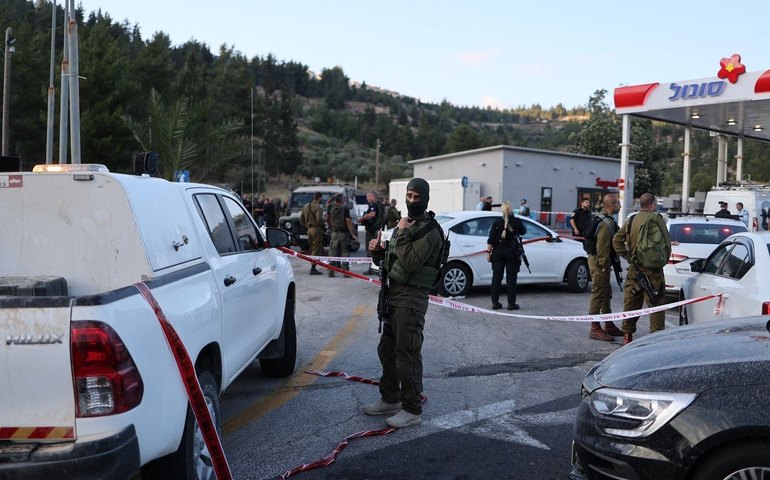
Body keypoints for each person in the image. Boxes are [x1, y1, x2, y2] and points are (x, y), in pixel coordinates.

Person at [364, 178, 445, 428]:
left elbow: (410, 262)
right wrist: (378, 250)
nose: (411, 201)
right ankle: (390, 398)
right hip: (393, 293)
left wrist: (402, 232)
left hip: (411, 298)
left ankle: (411, 408)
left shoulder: (430, 230)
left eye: (416, 197)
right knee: (386, 350)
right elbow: (393, 260)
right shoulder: (405, 225)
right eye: (408, 196)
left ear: (426, 198)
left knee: (406, 354)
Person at [612, 193, 671, 345]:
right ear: (652, 204)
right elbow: (667, 243)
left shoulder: (631, 220)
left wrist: (629, 258)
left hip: (635, 270)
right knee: (656, 304)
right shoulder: (657, 218)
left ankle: (627, 336)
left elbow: (617, 241)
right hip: (654, 272)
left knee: (631, 303)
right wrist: (660, 262)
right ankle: (655, 339)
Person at [586, 194, 624, 341]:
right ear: (611, 205)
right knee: (598, 293)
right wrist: (603, 266)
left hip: (601, 263)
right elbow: (602, 248)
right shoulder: (605, 224)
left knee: (606, 293)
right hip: (599, 263)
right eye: (618, 204)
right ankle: (595, 328)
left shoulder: (606, 220)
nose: (620, 207)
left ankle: (608, 324)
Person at [486, 201, 527, 310]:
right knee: (511, 279)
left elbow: (490, 240)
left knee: (496, 278)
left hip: (497, 253)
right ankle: (511, 304)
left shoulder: (497, 222)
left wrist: (488, 253)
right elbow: (524, 232)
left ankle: (495, 303)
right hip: (512, 254)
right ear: (511, 210)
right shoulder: (517, 221)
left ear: (502, 210)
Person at [327, 194, 357, 278]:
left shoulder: (331, 207)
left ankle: (330, 272)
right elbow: (348, 221)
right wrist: (352, 233)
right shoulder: (345, 208)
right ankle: (345, 273)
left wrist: (330, 225)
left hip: (334, 233)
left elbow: (327, 217)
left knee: (333, 252)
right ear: (342, 200)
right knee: (345, 252)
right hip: (343, 234)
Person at [300, 191, 325, 275]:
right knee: (316, 249)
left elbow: (301, 219)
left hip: (309, 230)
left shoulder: (306, 206)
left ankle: (313, 266)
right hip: (317, 230)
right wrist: (324, 223)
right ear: (320, 198)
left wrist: (306, 226)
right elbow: (319, 219)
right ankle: (313, 268)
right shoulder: (318, 207)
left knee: (312, 248)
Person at [358, 191, 382, 275]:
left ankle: (372, 269)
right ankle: (374, 268)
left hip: (372, 231)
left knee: (370, 250)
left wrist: (361, 219)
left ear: (373, 197)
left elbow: (372, 214)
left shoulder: (373, 205)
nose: (367, 198)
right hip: (376, 230)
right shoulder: (379, 204)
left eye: (368, 197)